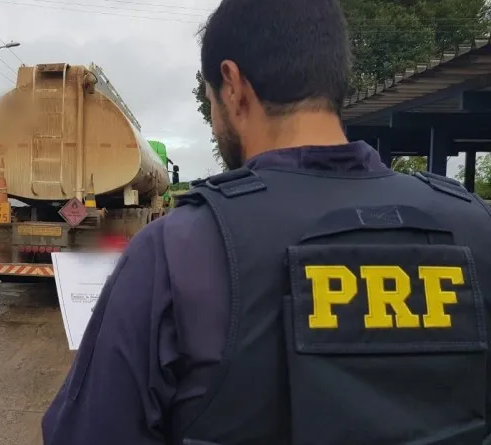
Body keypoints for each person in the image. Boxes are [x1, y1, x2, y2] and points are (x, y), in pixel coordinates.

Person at [42, 0, 491, 443]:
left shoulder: (179, 249)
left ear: (233, 85)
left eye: (210, 98)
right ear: (333, 78)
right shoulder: (475, 227)